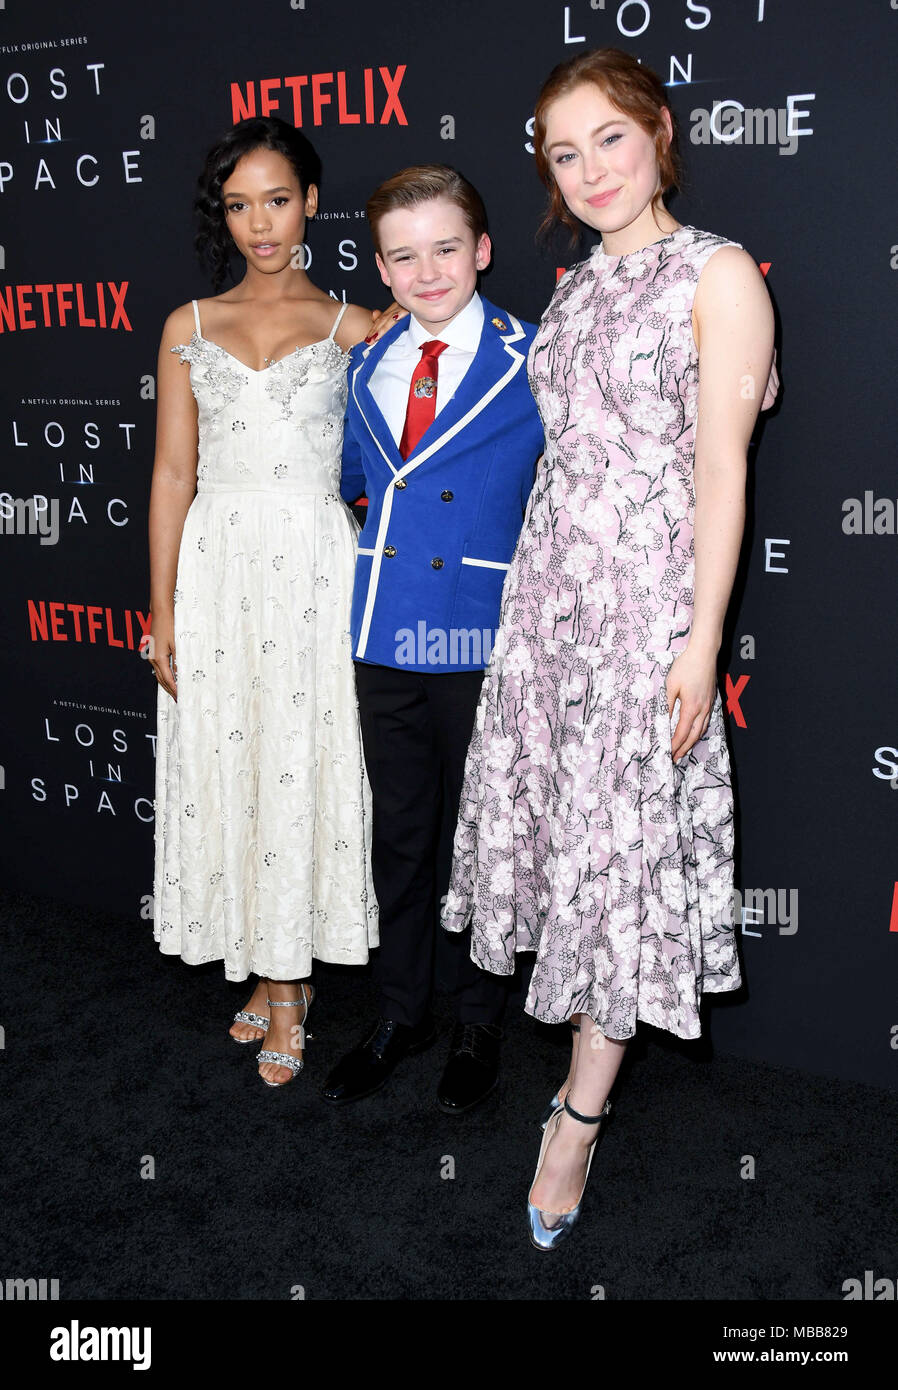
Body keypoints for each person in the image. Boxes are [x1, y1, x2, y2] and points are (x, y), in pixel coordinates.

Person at [441, 48, 775, 1246]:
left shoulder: (719, 274)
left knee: (621, 861)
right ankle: (570, 1082)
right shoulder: (576, 287)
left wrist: (696, 644)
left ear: (659, 133)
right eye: (561, 152)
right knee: (563, 846)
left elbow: (721, 474)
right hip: (549, 605)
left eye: (608, 141)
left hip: (645, 612)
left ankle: (575, 1121)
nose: (586, 171)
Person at [148, 117, 378, 1087]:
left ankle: (289, 986)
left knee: (298, 761)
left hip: (314, 571)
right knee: (232, 761)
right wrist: (159, 610)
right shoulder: (187, 326)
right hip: (216, 568)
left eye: (277, 199)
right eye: (239, 205)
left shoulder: (356, 325)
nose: (260, 223)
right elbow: (169, 473)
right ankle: (275, 969)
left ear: (312, 202)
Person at [320, 166, 546, 1112]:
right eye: (403, 255)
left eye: (446, 248)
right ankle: (402, 1009)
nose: (427, 271)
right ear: (379, 265)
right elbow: (356, 481)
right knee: (402, 837)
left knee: (479, 842)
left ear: (483, 250)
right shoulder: (366, 363)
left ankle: (476, 1022)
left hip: (481, 637)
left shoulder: (533, 357)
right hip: (384, 634)